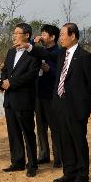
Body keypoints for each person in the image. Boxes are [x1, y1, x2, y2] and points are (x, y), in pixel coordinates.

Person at [14, 23, 91, 182]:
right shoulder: (62, 54)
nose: (61, 37)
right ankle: (69, 172)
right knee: (64, 140)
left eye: (63, 34)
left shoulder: (84, 56)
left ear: (73, 36)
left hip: (76, 108)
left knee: (78, 142)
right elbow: (44, 52)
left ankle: (82, 175)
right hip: (60, 105)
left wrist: (84, 101)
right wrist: (28, 46)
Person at [0, 23, 41, 177]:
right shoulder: (11, 51)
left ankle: (32, 164)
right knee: (13, 132)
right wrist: (3, 82)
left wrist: (12, 83)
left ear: (27, 35)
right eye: (14, 32)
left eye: (18, 33)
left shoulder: (33, 53)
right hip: (9, 98)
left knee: (28, 131)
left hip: (24, 98)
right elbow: (5, 70)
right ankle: (17, 161)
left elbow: (31, 75)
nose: (14, 35)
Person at [33, 24, 62, 168]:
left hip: (51, 95)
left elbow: (62, 75)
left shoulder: (59, 52)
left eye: (44, 34)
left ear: (52, 37)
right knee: (40, 126)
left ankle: (59, 157)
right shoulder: (40, 51)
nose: (42, 36)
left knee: (54, 126)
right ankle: (43, 154)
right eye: (42, 34)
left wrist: (49, 69)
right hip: (39, 93)